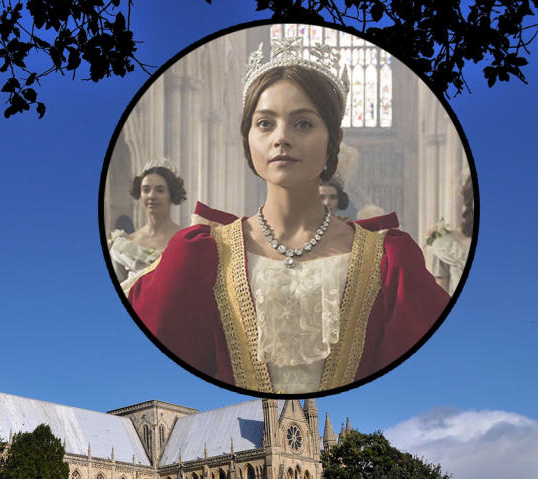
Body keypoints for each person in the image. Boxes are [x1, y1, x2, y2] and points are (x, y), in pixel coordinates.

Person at [128, 37, 450, 394]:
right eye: (265, 123)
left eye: (303, 124)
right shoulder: (201, 254)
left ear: (334, 139)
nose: (281, 138)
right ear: (247, 138)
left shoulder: (389, 262)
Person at [108, 158, 186, 291]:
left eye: (160, 190)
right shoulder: (124, 246)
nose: (151, 196)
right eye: (146, 190)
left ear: (171, 194)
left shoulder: (185, 240)